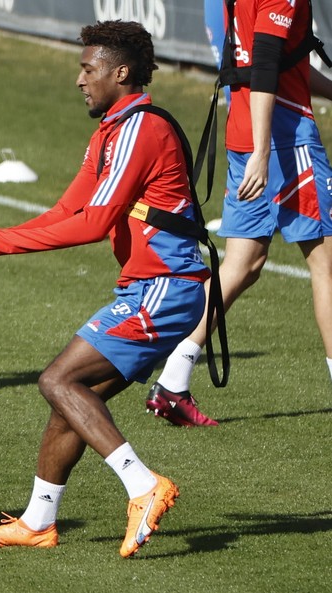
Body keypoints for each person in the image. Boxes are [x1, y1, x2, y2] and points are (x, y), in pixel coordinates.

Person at [0, 21, 208, 557]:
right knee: (74, 401)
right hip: (149, 288)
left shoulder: (141, 130)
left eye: (87, 68)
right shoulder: (110, 131)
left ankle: (144, 486)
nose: (79, 79)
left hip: (163, 290)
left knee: (58, 380)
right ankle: (38, 521)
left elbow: (93, 223)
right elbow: (64, 210)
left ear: (120, 73)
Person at [146, 0, 332, 427]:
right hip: (283, 144)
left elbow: (270, 66)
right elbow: (265, 66)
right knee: (327, 266)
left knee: (242, 265)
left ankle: (173, 378)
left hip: (243, 138)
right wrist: (264, 154)